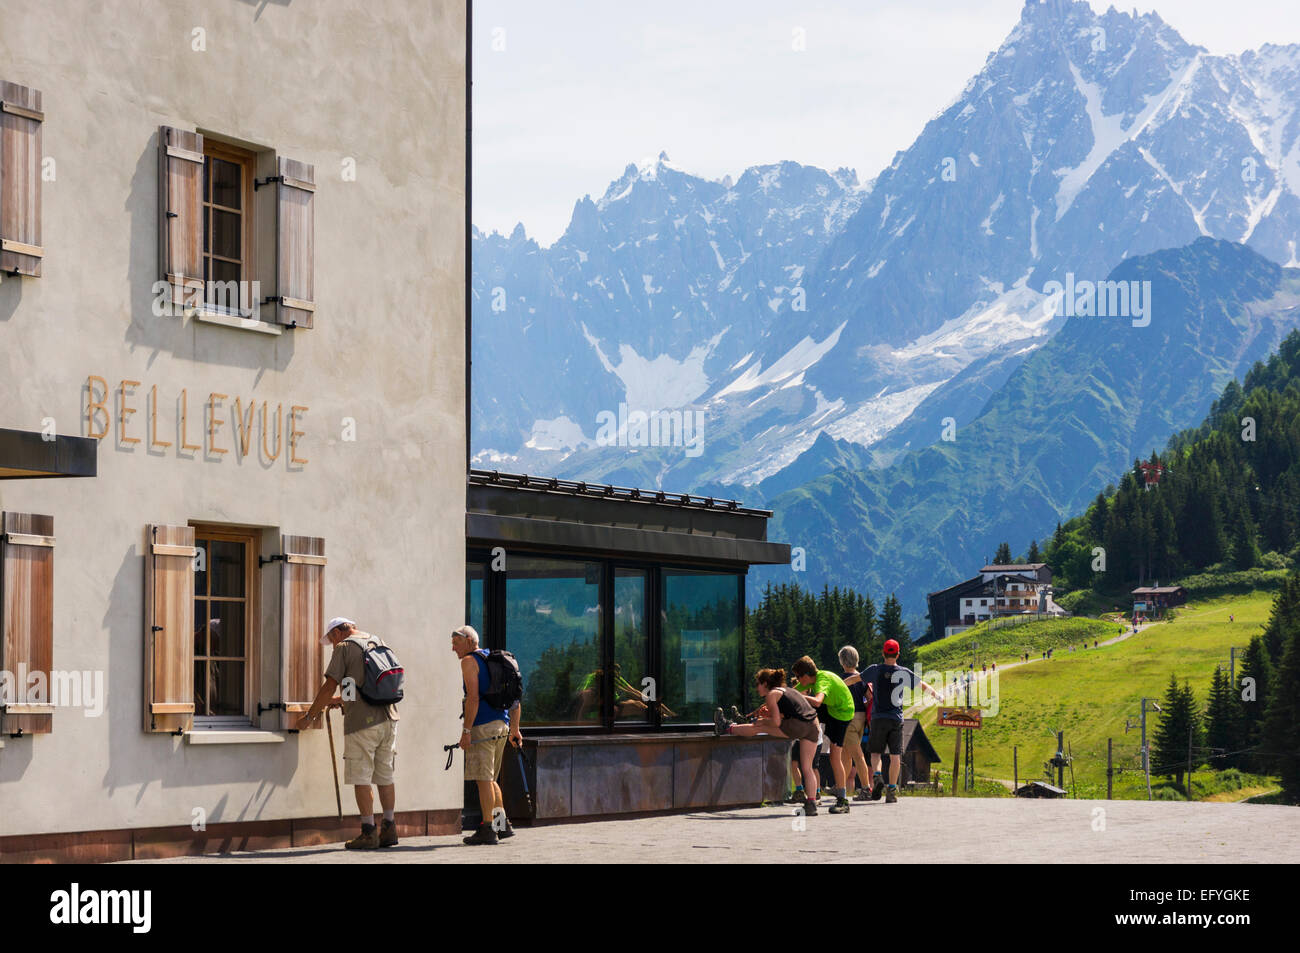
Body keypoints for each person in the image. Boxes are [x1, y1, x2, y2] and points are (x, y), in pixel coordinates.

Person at [298, 617, 399, 850]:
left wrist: (310, 716)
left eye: (331, 640)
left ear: (337, 633)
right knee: (385, 775)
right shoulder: (375, 641)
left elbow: (329, 685)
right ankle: (389, 827)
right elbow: (354, 687)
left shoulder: (344, 648)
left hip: (362, 724)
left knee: (361, 776)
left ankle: (368, 832)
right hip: (389, 718)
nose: (332, 645)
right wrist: (341, 701)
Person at [453, 624, 523, 846]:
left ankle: (487, 828)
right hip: (501, 726)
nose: (453, 648)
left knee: (483, 779)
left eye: (456, 643)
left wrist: (466, 731)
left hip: (482, 727)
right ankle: (503, 825)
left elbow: (472, 698)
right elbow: (515, 699)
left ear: (469, 641)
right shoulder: (495, 660)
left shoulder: (469, 662)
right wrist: (515, 729)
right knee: (491, 778)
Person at [716, 669, 821, 816]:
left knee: (758, 727)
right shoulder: (788, 690)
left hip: (797, 726)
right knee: (807, 768)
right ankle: (811, 804)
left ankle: (727, 727)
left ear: (765, 684)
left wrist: (763, 720)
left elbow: (777, 722)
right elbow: (793, 712)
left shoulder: (772, 695)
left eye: (757, 684)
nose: (756, 688)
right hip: (813, 726)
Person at [862, 639, 942, 803]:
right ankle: (891, 791)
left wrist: (840, 683)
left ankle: (877, 777)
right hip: (896, 718)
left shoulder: (875, 670)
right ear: (898, 654)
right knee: (895, 755)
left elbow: (856, 679)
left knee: (875, 753)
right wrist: (938, 696)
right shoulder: (903, 672)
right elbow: (923, 685)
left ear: (883, 653)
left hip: (877, 718)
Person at [792, 655, 856, 814]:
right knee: (801, 707)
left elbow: (818, 701)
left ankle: (843, 800)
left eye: (799, 677)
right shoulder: (813, 679)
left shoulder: (822, 680)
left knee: (835, 756)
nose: (798, 681)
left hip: (842, 713)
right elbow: (789, 693)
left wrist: (798, 696)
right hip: (832, 708)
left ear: (806, 676)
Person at [839, 645, 873, 801]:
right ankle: (841, 788)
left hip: (848, 719)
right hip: (861, 718)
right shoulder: (862, 678)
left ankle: (866, 788)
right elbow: (869, 697)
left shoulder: (841, 680)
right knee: (846, 755)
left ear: (842, 661)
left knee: (857, 755)